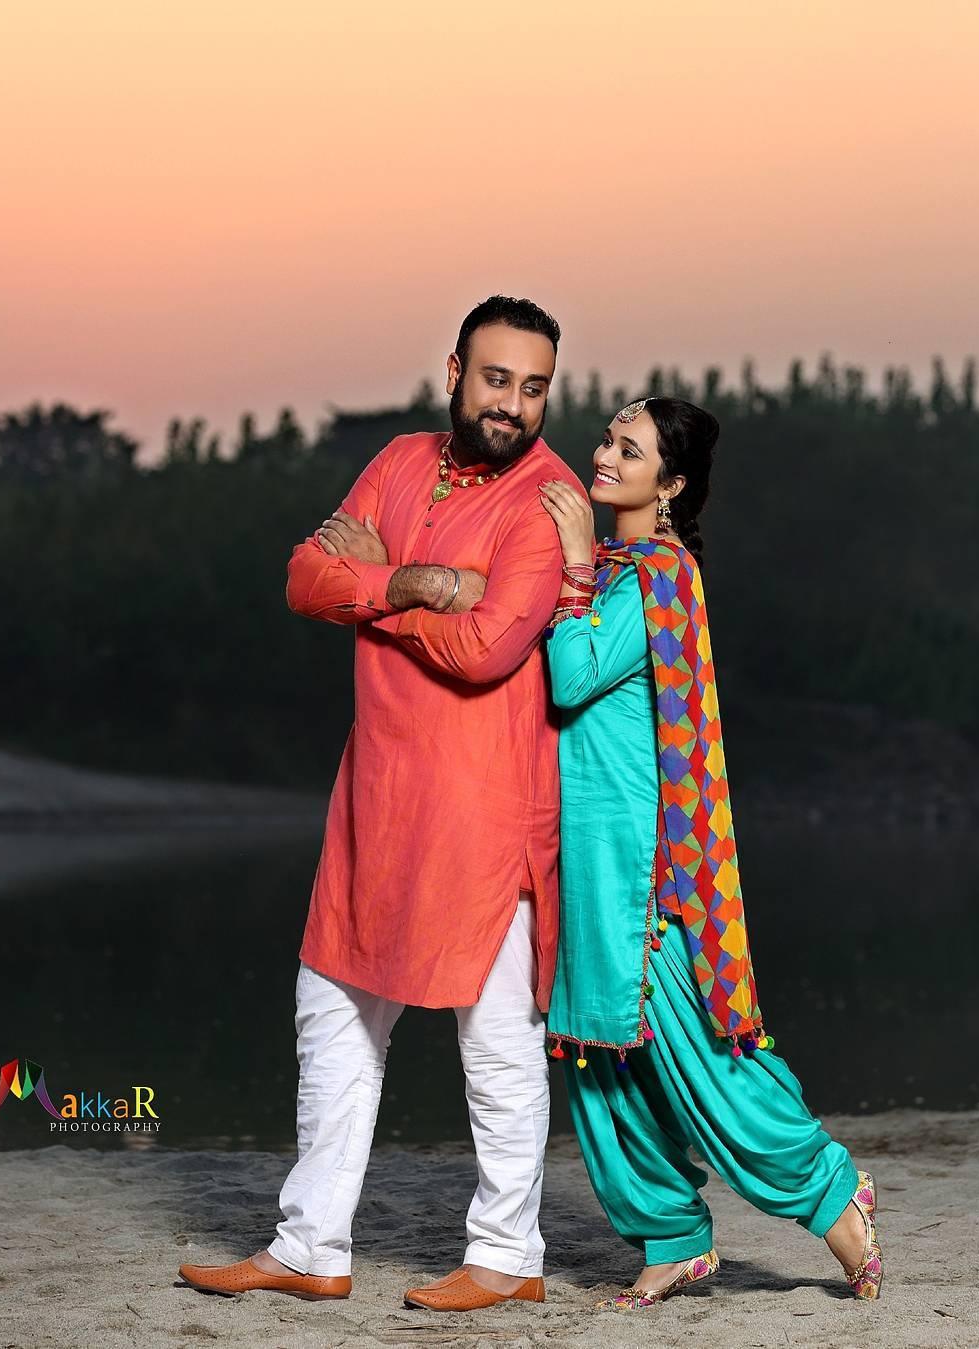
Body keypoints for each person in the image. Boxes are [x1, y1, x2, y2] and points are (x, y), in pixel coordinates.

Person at [178, 296, 587, 1311]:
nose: (513, 406)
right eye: (496, 380)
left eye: (534, 388)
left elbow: (489, 649)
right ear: (454, 370)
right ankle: (310, 1244)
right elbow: (306, 577)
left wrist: (383, 591)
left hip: (486, 808)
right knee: (334, 1012)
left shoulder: (548, 499)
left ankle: (507, 1256)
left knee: (493, 1041)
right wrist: (417, 579)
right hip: (377, 795)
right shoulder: (400, 461)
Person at [537, 396, 884, 1310]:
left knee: (698, 1057)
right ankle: (672, 1237)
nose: (605, 455)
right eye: (608, 438)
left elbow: (570, 681)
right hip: (583, 851)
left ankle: (828, 1189)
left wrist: (573, 567)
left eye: (630, 448)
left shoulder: (655, 574)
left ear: (673, 482)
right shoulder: (619, 569)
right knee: (600, 1055)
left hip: (637, 863)